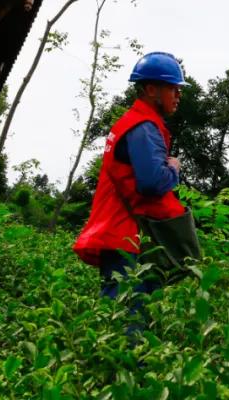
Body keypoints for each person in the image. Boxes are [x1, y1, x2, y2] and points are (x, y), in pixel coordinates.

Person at [73, 51, 187, 299]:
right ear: (150, 89)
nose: (179, 95)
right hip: (128, 238)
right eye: (173, 88)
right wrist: (174, 168)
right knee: (130, 322)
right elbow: (152, 183)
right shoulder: (144, 127)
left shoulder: (132, 122)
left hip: (118, 234)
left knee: (119, 317)